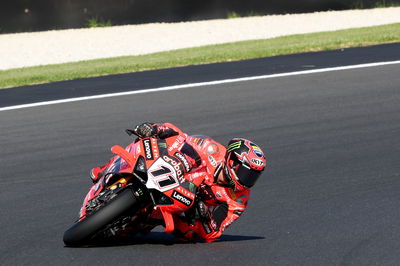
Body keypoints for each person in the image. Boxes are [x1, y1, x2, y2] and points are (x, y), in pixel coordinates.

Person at [90, 122, 267, 242]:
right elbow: (180, 137)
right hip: (172, 171)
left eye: (252, 176)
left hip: (184, 206)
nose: (247, 180)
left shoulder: (238, 201)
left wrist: (204, 216)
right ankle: (106, 169)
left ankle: (136, 219)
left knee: (187, 234)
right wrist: (156, 128)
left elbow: (214, 231)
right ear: (232, 161)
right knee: (142, 142)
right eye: (245, 172)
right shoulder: (211, 148)